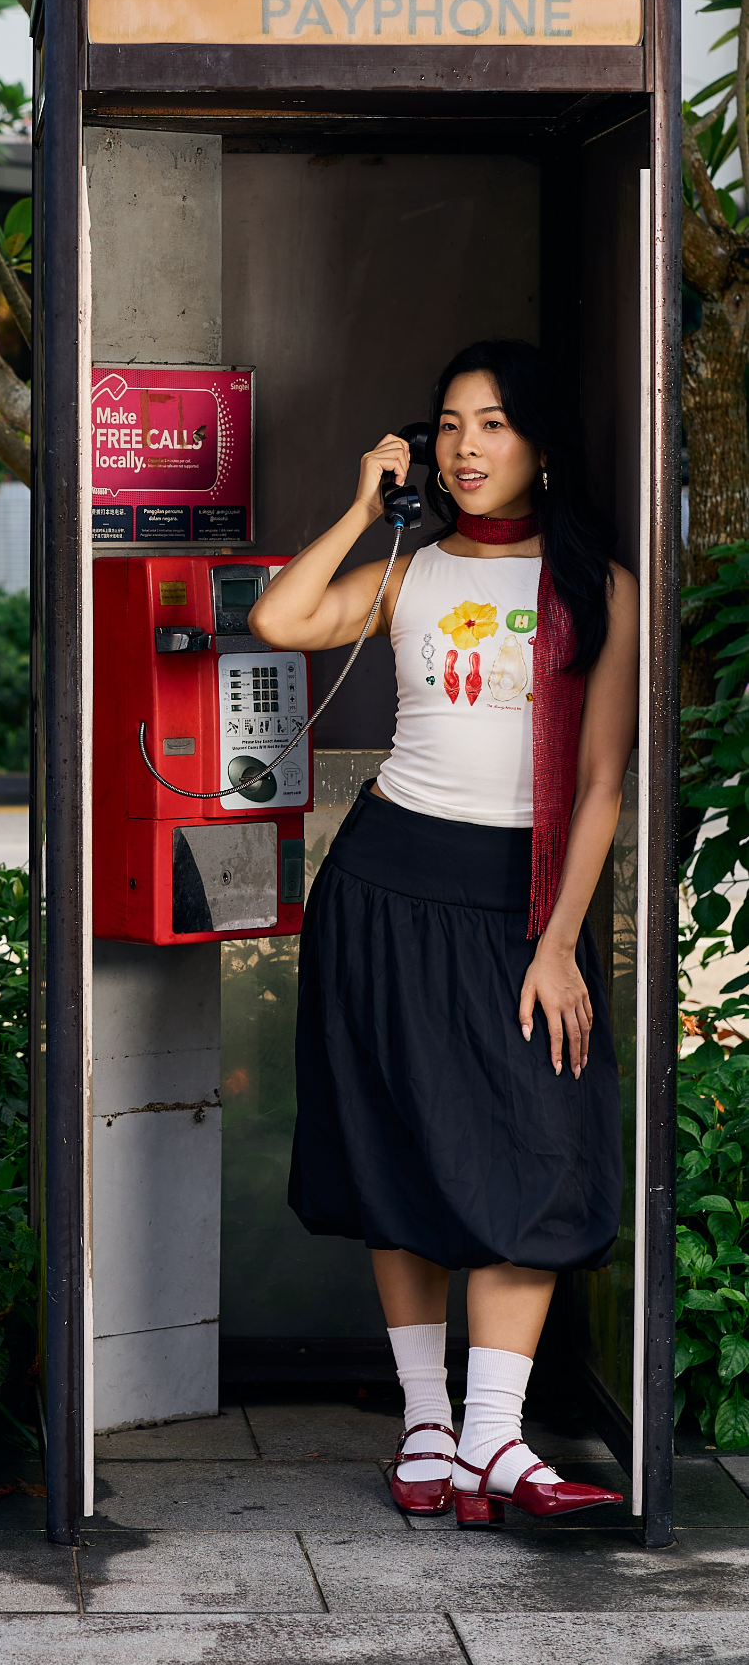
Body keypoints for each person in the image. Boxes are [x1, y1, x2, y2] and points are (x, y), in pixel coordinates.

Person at [250, 340, 637, 1529]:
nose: (470, 448)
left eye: (496, 425)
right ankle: (428, 1429)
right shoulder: (408, 570)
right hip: (382, 886)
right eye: (451, 426)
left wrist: (560, 941)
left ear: (542, 445)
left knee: (535, 1140)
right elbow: (279, 614)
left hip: (516, 902)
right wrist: (370, 508)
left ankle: (494, 1440)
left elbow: (603, 781)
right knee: (398, 1148)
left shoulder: (599, 588)